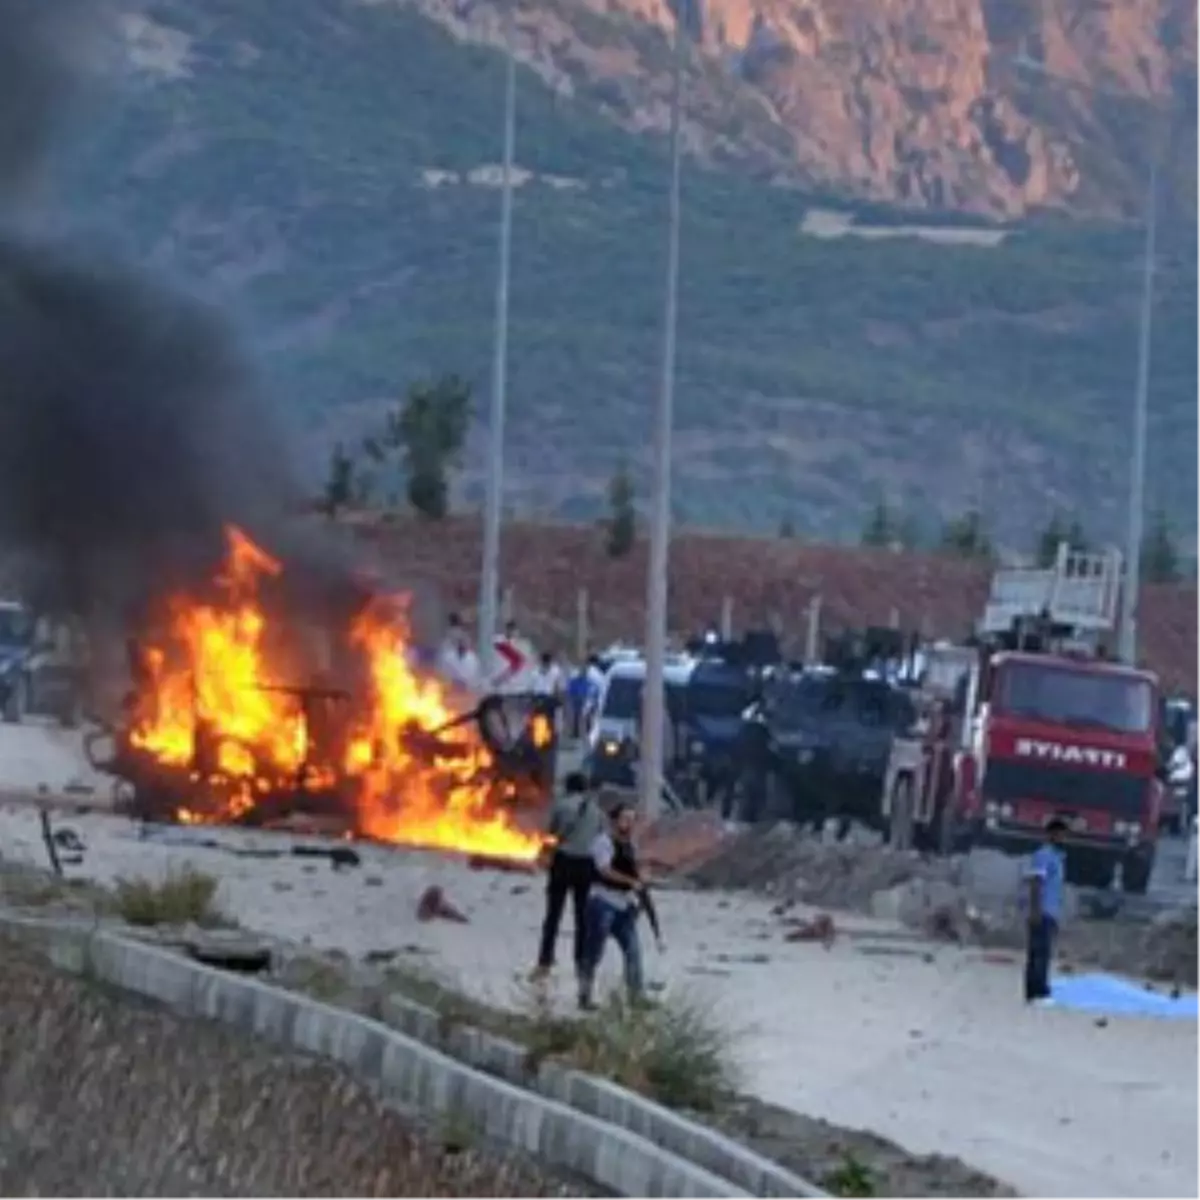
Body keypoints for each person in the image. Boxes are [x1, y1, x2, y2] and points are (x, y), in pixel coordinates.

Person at [578, 800, 662, 1010]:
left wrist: (641, 883)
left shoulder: (630, 846)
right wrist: (630, 881)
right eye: (625, 819)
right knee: (594, 952)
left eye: (632, 819)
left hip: (624, 906)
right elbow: (605, 870)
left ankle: (636, 997)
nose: (629, 824)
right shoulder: (602, 842)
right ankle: (584, 996)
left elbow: (635, 870)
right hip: (602, 902)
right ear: (614, 820)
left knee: (633, 951)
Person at [532, 771, 602, 982]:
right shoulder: (596, 811)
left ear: (568, 787)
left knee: (553, 915)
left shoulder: (561, 806)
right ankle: (581, 965)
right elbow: (599, 837)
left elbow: (551, 833)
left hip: (563, 863)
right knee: (582, 918)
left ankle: (544, 963)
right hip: (586, 866)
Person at [1024, 815, 1067, 1004]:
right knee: (1038, 952)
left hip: (1051, 910)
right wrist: (1035, 910)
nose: (1062, 838)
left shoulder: (1058, 858)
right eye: (1059, 834)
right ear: (1052, 834)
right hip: (1042, 910)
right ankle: (1035, 990)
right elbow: (1036, 883)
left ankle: (1039, 987)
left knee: (1044, 952)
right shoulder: (1043, 856)